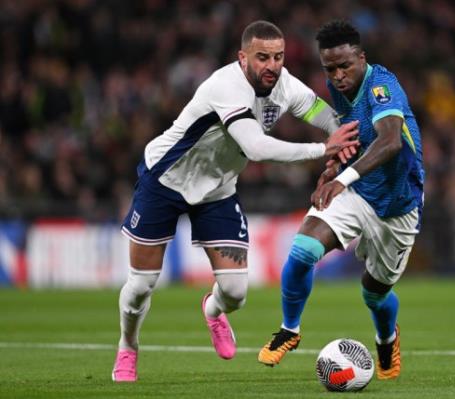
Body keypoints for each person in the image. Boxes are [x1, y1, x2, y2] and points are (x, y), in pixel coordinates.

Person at [111, 20, 360, 382]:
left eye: (278, 57)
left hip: (217, 190)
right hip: (165, 181)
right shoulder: (225, 87)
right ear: (242, 57)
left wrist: (345, 137)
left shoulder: (284, 85)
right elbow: (256, 148)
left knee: (235, 292)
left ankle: (212, 312)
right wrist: (324, 149)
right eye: (262, 57)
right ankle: (128, 347)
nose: (271, 65)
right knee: (140, 286)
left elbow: (320, 113)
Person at [258, 20, 425, 381]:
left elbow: (390, 141)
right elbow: (354, 139)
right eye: (329, 69)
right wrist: (334, 166)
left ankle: (387, 337)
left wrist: (341, 178)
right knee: (303, 250)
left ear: (361, 58)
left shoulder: (382, 86)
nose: (337, 75)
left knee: (374, 294)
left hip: (398, 206)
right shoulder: (339, 91)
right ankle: (290, 328)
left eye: (344, 65)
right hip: (358, 192)